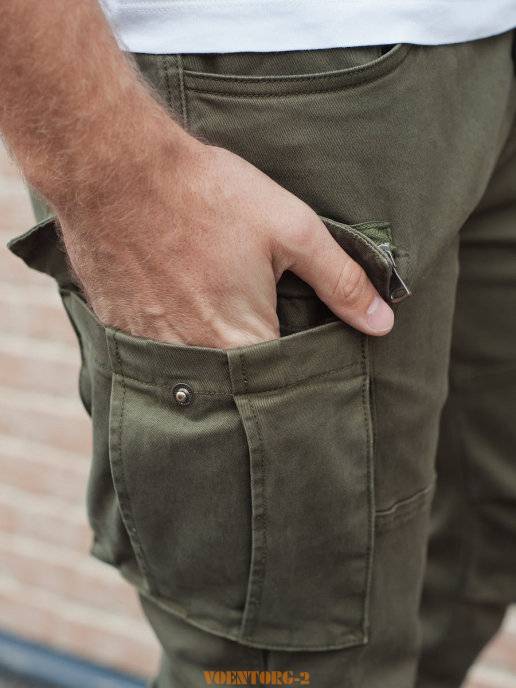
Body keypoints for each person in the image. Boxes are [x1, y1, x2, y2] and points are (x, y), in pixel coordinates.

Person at [2, 2, 516, 687]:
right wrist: (107, 172)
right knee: (291, 665)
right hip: (254, 81)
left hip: (487, 51)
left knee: (475, 550)